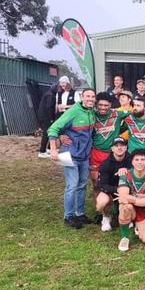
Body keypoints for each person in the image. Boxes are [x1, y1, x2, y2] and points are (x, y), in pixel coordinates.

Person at [48, 88, 96, 229]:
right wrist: (54, 148)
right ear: (82, 96)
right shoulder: (73, 112)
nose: (90, 99)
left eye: (93, 97)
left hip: (84, 156)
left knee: (82, 185)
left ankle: (79, 213)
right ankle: (68, 216)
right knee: (72, 186)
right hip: (71, 155)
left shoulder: (91, 112)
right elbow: (54, 128)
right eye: (88, 96)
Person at [116, 149, 145, 251]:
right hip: (132, 208)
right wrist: (137, 201)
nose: (139, 162)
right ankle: (124, 237)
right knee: (125, 206)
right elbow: (123, 198)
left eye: (142, 159)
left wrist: (133, 199)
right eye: (136, 159)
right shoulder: (125, 175)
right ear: (132, 162)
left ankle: (137, 225)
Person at [90, 93, 131, 198]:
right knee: (96, 183)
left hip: (112, 153)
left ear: (110, 105)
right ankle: (100, 211)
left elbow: (136, 110)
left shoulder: (117, 113)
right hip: (96, 152)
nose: (103, 108)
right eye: (100, 105)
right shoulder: (91, 114)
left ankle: (114, 205)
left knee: (113, 181)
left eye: (106, 105)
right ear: (96, 104)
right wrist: (62, 135)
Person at [96, 137, 131, 232]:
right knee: (101, 202)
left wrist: (128, 170)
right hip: (111, 190)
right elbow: (103, 185)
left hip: (129, 190)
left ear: (126, 148)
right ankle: (106, 217)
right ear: (112, 149)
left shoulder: (132, 160)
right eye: (116, 146)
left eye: (122, 145)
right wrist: (117, 190)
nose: (119, 148)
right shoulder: (105, 164)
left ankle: (131, 217)